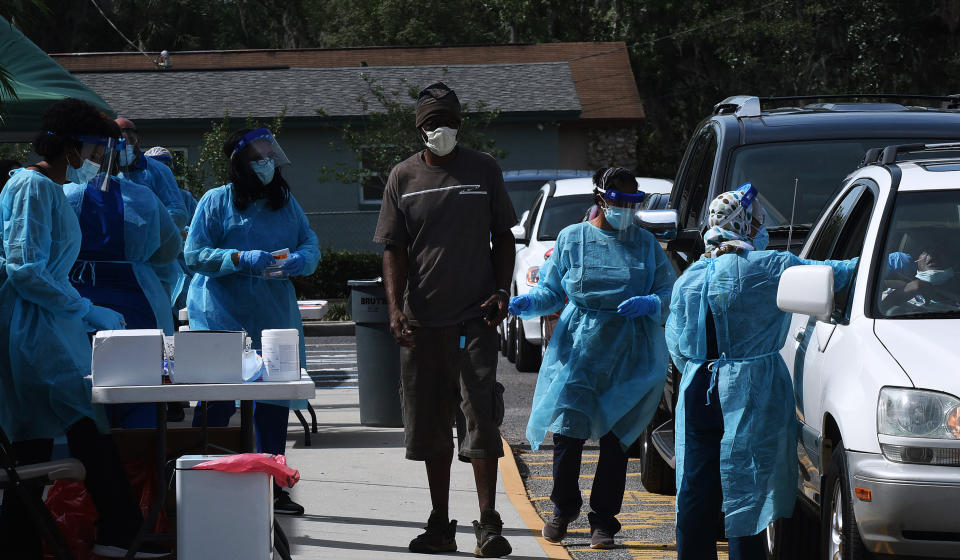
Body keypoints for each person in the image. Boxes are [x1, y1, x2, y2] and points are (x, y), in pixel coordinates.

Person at [0, 98, 169, 559]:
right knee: (84, 423)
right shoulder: (32, 186)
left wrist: (78, 309)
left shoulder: (49, 189)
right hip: (34, 327)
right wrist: (86, 307)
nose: (97, 162)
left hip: (49, 320)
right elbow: (26, 269)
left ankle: (19, 543)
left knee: (31, 449)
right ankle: (120, 531)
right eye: (94, 150)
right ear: (72, 148)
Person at [665, 185, 859, 560]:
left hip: (698, 390)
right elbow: (834, 274)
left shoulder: (689, 278)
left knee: (694, 491)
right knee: (748, 490)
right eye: (755, 220)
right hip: (747, 393)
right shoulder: (770, 268)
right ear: (744, 224)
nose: (760, 226)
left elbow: (677, 344)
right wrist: (889, 263)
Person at [373, 81, 515, 558]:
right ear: (420, 128)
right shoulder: (402, 178)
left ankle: (489, 523)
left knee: (480, 420)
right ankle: (440, 523)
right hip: (423, 323)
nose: (442, 131)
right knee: (430, 425)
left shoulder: (484, 170)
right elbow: (394, 249)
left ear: (460, 124)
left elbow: (503, 237)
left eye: (450, 122)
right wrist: (395, 309)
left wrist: (501, 291)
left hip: (474, 320)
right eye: (433, 123)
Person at [508, 167, 676, 549]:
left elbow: (670, 292)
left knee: (617, 441)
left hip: (629, 352)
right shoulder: (572, 239)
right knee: (568, 436)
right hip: (578, 349)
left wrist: (652, 302)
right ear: (600, 198)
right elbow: (551, 290)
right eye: (620, 201)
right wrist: (529, 303)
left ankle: (604, 520)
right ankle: (563, 510)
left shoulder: (645, 244)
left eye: (635, 202)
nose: (627, 210)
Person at [184, 127, 320, 516]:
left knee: (272, 398)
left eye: (269, 155)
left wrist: (302, 260)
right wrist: (238, 258)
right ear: (239, 163)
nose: (266, 163)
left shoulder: (285, 202)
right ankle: (205, 476)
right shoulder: (216, 201)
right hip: (221, 312)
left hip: (273, 312)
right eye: (257, 156)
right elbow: (193, 255)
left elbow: (309, 242)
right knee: (218, 398)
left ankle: (273, 485)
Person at [64, 123, 183, 429]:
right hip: (140, 303)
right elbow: (169, 249)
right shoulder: (141, 197)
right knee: (142, 395)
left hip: (77, 305)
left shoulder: (63, 195)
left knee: (83, 398)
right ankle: (143, 469)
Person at [115, 118, 188, 230]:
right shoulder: (104, 171)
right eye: (120, 142)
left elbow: (178, 213)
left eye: (130, 140)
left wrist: (148, 230)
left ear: (138, 141)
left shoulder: (158, 170)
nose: (126, 146)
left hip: (153, 244)